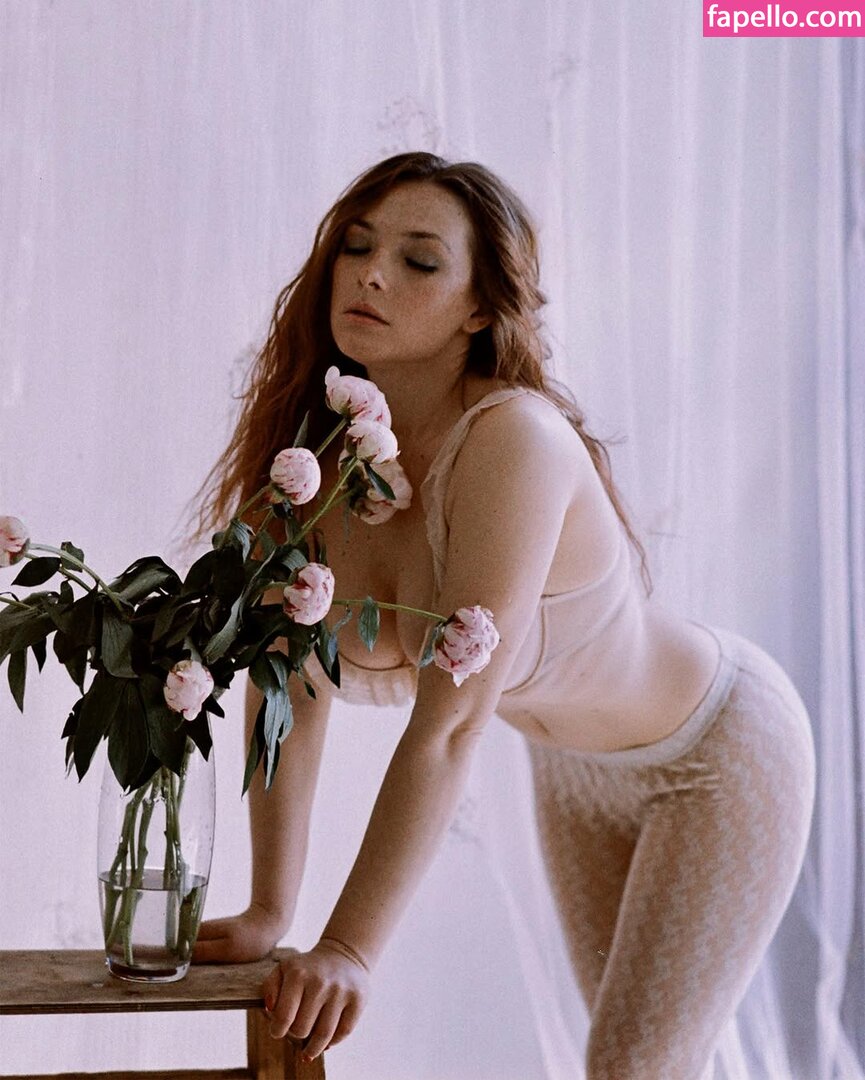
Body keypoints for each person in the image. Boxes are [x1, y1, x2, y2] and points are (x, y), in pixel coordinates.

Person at [192, 152, 816, 1079]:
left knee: (631, 1069)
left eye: (418, 260)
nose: (370, 274)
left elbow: (450, 727)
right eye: (355, 247)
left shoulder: (512, 440)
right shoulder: (315, 452)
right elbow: (289, 688)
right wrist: (269, 911)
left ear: (481, 309)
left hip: (715, 753)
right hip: (571, 770)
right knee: (639, 1060)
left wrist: (350, 949)